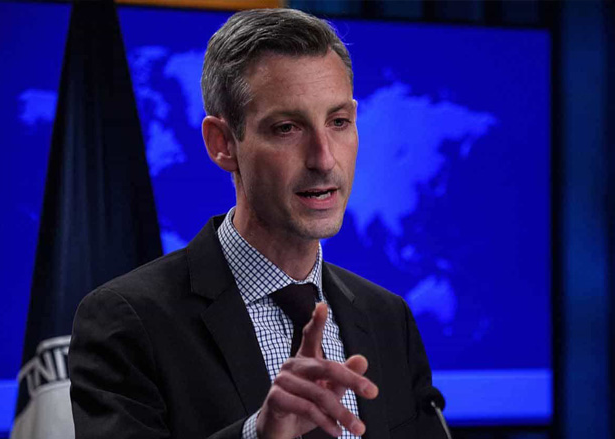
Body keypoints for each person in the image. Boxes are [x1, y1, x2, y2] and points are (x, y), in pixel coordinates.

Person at [68, 8, 444, 439]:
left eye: (338, 122)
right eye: (287, 128)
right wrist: (258, 435)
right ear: (222, 143)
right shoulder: (128, 322)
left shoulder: (387, 318)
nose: (324, 159)